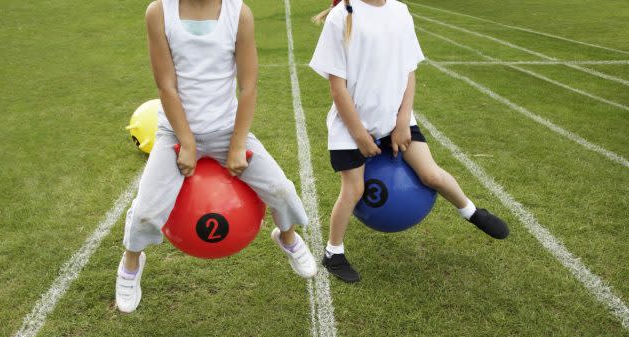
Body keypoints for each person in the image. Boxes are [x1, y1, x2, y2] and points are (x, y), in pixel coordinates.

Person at [116, 0, 317, 313]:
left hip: (227, 131)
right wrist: (186, 141)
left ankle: (287, 237)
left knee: (281, 190)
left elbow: (248, 87)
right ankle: (131, 262)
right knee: (145, 211)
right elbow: (165, 85)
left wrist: (237, 144)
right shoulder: (159, 12)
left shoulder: (239, 14)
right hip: (175, 133)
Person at [310, 0, 509, 284]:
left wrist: (402, 121)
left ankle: (472, 212)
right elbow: (337, 87)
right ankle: (334, 252)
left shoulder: (400, 11)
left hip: (396, 119)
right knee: (354, 190)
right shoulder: (340, 18)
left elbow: (409, 71)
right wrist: (359, 134)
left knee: (431, 174)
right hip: (351, 125)